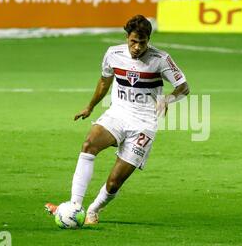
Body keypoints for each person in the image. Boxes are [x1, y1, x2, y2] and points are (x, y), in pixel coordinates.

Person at [45, 14, 190, 225]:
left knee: (114, 182)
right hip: (118, 114)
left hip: (143, 124)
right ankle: (75, 206)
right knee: (89, 144)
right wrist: (90, 106)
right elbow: (104, 82)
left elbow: (184, 87)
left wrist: (168, 98)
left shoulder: (161, 59)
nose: (137, 47)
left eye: (142, 42)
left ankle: (93, 210)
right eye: (133, 41)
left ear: (148, 40)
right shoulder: (113, 54)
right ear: (127, 38)